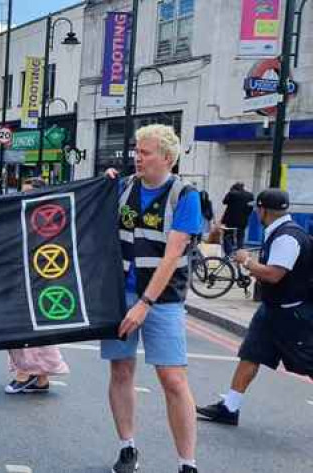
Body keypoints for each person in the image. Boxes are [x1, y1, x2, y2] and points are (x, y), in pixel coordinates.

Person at [103, 124, 201, 473]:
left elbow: (172, 255)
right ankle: (127, 447)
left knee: (173, 380)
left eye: (144, 152)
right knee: (121, 369)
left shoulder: (185, 196)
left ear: (167, 158)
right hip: (119, 293)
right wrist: (103, 185)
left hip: (162, 300)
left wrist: (144, 304)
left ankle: (187, 463)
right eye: (136, 151)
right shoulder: (124, 187)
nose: (136, 157)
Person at [197, 189, 313, 426]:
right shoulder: (280, 231)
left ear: (263, 210)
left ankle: (230, 407)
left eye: (255, 209)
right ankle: (230, 408)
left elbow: (274, 274)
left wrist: (248, 262)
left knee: (308, 363)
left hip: (291, 315)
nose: (253, 212)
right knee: (250, 354)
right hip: (271, 310)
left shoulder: (287, 237)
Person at [4, 177, 70, 394]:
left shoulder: (45, 220)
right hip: (24, 279)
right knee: (28, 325)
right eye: (21, 192)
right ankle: (39, 379)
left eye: (28, 192)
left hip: (38, 280)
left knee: (28, 325)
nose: (23, 196)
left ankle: (27, 374)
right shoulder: (24, 216)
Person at [218, 182, 255, 254]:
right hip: (243, 220)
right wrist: (246, 215)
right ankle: (240, 253)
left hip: (230, 220)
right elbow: (251, 208)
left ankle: (229, 254)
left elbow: (224, 201)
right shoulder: (250, 195)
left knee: (228, 236)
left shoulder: (232, 194)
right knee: (240, 237)